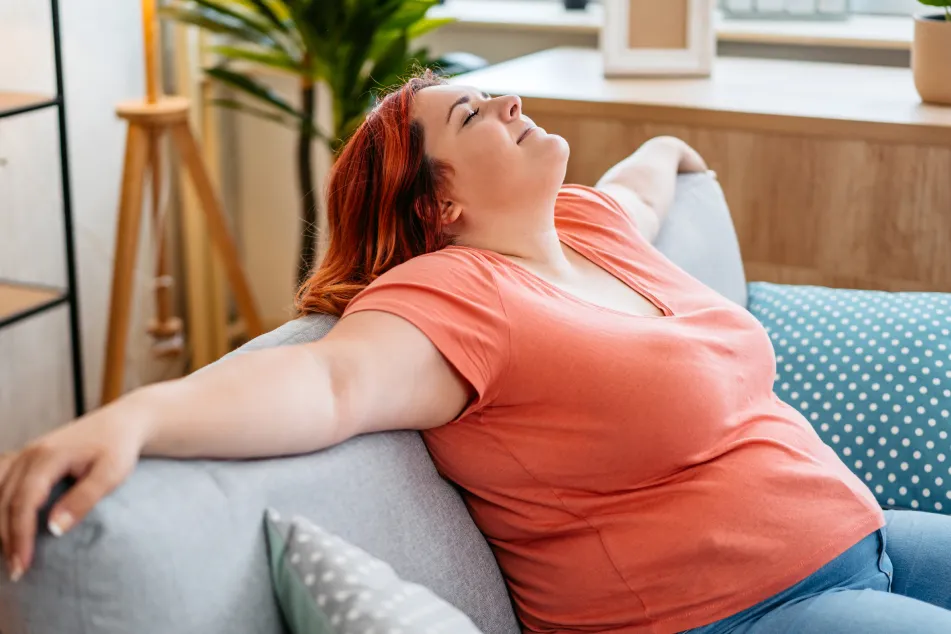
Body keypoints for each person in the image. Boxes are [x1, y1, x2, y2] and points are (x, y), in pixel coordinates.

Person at [1, 71, 950, 634]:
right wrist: (138, 412)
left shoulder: (582, 226)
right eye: (471, 115)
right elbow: (328, 381)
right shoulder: (456, 293)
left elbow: (638, 186)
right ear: (439, 206)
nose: (508, 100)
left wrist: (667, 142)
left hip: (861, 546)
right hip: (735, 614)